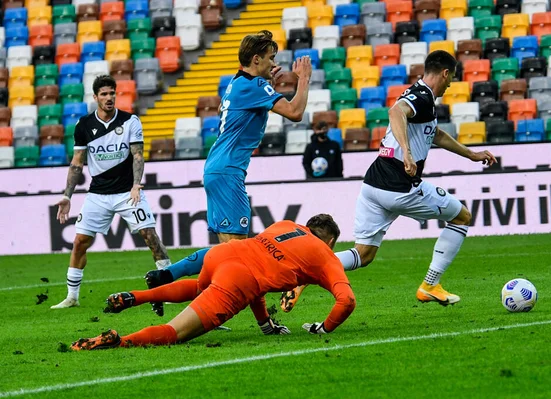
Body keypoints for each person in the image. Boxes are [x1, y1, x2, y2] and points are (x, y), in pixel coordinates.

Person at [281, 50, 497, 311]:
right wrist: (406, 152)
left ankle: (302, 276)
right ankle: (430, 285)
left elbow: (436, 134)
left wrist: (471, 154)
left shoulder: (421, 96)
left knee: (364, 254)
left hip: (373, 185)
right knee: (461, 217)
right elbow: (396, 113)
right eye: (451, 78)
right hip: (399, 185)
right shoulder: (422, 96)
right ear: (445, 73)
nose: (451, 84)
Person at [142, 30, 313, 316]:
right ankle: (183, 293)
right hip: (227, 172)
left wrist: (267, 81)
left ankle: (166, 278)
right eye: (270, 58)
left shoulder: (239, 83)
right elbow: (295, 112)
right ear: (256, 59)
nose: (273, 64)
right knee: (238, 255)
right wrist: (304, 78)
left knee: (227, 254)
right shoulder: (255, 86)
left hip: (219, 169)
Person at [70, 215, 356, 350]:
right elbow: (346, 300)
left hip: (223, 254)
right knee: (176, 333)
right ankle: (119, 343)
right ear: (330, 242)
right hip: (239, 280)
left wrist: (266, 324)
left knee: (199, 289)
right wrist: (324, 328)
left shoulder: (285, 225)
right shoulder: (326, 257)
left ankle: (135, 296)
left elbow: (258, 289)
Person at [51, 75, 171, 309]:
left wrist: (137, 184)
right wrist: (67, 196)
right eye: (104, 94)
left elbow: (137, 154)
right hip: (98, 194)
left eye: (112, 93)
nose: (109, 98)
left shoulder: (130, 121)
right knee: (79, 242)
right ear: (95, 97)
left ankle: (168, 288)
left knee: (150, 236)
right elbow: (77, 163)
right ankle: (72, 297)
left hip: (128, 192)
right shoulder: (83, 125)